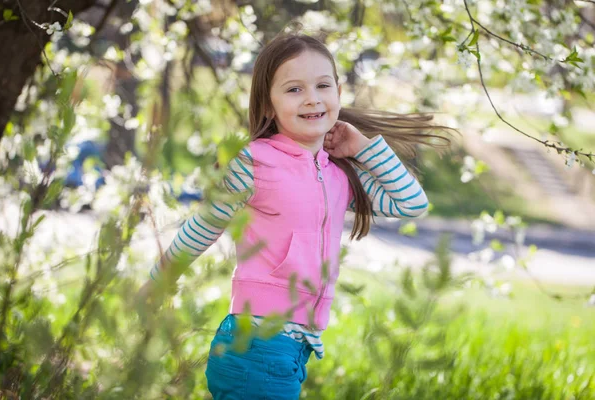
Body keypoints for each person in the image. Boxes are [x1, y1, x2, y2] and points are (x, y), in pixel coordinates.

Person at [138, 28, 451, 400]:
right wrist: (159, 280)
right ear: (268, 104)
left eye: (323, 86)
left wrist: (363, 147)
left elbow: (411, 203)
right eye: (294, 89)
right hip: (255, 343)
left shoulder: (337, 175)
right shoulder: (255, 161)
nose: (312, 99)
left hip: (291, 347)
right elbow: (204, 226)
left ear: (337, 92)